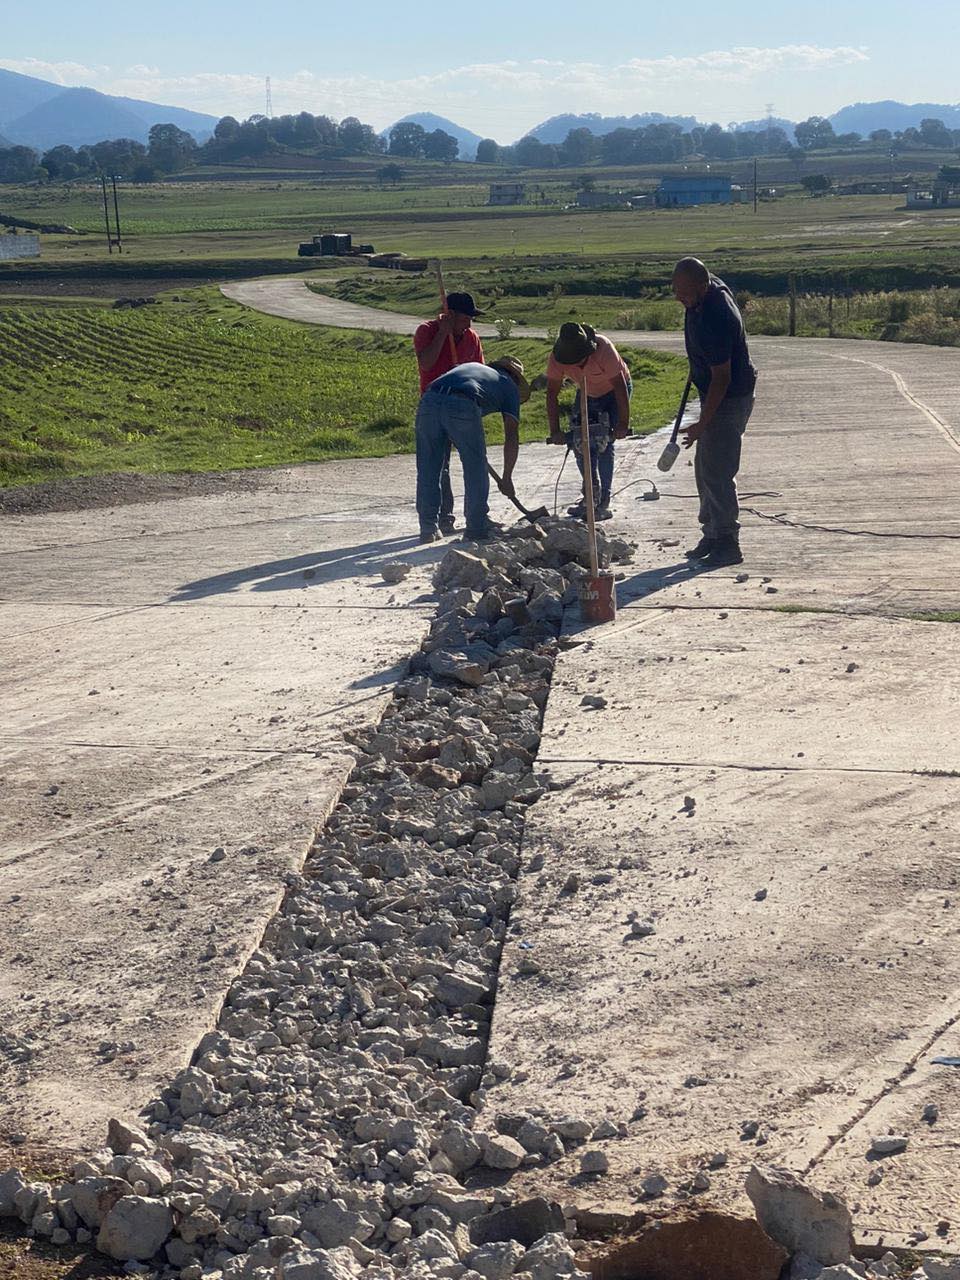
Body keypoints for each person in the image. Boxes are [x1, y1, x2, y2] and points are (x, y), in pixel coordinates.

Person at [672, 257, 757, 567]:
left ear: (702, 286)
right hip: (714, 392)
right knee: (704, 467)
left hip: (729, 397)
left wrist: (700, 425)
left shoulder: (716, 318)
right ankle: (711, 533)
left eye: (684, 291)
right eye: (675, 289)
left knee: (718, 472)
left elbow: (722, 378)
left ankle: (728, 542)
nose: (678, 296)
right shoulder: (705, 291)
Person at [415, 358, 529, 544]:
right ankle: (477, 527)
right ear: (516, 378)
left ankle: (428, 528)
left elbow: (445, 394)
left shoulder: (472, 368)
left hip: (428, 400)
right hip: (463, 402)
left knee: (429, 468)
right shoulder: (509, 385)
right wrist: (507, 477)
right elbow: (511, 436)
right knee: (475, 468)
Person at [413, 292, 485, 535]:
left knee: (473, 463)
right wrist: (443, 333)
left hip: (463, 407)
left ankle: (475, 521)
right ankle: (434, 522)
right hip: (432, 405)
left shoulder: (472, 338)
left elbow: (479, 373)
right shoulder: (427, 331)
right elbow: (426, 363)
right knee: (434, 466)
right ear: (450, 315)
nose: (469, 323)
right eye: (466, 318)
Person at [546, 322, 631, 521]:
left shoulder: (603, 349)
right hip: (586, 391)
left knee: (603, 442)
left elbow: (620, 388)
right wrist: (555, 431)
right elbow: (551, 395)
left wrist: (622, 424)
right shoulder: (557, 358)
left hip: (614, 391)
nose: (578, 365)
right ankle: (590, 495)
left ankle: (603, 501)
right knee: (579, 441)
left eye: (581, 360)